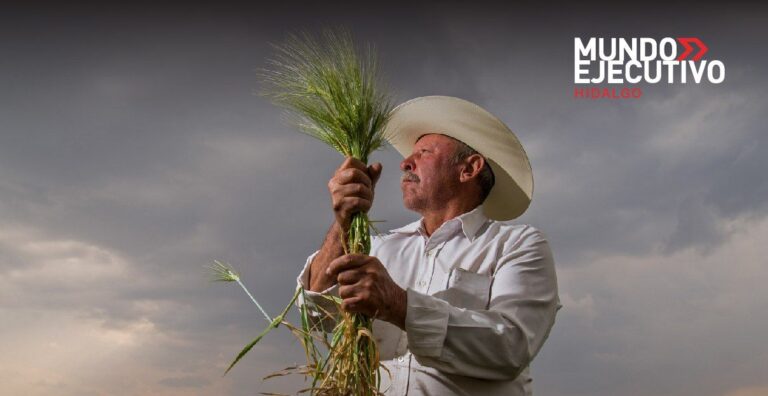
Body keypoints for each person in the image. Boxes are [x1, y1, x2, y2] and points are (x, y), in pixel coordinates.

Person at [297, 96, 560, 395]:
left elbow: (511, 346)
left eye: (423, 152)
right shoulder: (382, 247)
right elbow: (317, 318)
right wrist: (343, 221)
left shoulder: (518, 245)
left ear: (469, 168)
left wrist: (397, 304)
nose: (405, 162)